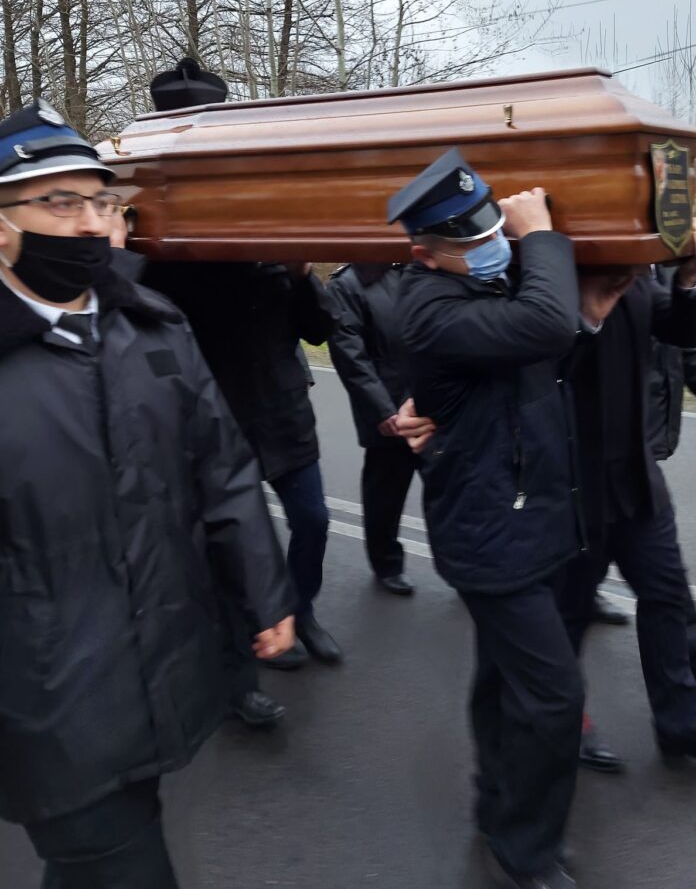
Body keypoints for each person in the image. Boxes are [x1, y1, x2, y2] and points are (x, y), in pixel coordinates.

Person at [0, 100, 295, 888]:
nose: (92, 223)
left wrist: (264, 593)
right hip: (44, 695)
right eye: (59, 202)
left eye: (102, 201)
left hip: (159, 665)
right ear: (1, 226)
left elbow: (223, 469)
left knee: (102, 853)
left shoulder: (154, 330)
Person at [390, 148, 584, 889]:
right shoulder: (433, 311)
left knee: (504, 681)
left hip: (523, 515)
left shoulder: (481, 288)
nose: (492, 239)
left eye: (492, 224)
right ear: (424, 254)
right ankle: (526, 851)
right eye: (472, 239)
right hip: (488, 533)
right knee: (554, 696)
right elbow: (543, 324)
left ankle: (497, 808)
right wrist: (538, 236)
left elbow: (552, 329)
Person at [561, 225, 696, 773]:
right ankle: (566, 723)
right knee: (567, 615)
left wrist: (691, 275)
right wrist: (590, 317)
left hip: (638, 479)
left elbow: (679, 329)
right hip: (576, 486)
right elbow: (546, 365)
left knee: (667, 599)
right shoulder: (558, 275)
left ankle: (681, 726)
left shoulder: (641, 274)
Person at [144, 259, 344, 669]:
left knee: (313, 520)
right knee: (233, 538)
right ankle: (253, 628)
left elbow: (320, 330)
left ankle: (299, 611)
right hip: (222, 421)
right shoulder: (185, 265)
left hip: (284, 418)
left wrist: (302, 275)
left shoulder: (282, 263)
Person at [591, 267, 696, 696]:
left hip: (644, 431)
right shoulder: (599, 262)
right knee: (648, 560)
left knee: (630, 550)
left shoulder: (661, 264)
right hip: (611, 435)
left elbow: (685, 337)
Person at [328, 263, 416, 595]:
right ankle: (387, 564)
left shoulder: (419, 269)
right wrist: (381, 408)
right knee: (386, 493)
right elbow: (350, 355)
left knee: (450, 488)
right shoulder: (348, 284)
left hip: (429, 401)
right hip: (388, 408)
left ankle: (465, 562)